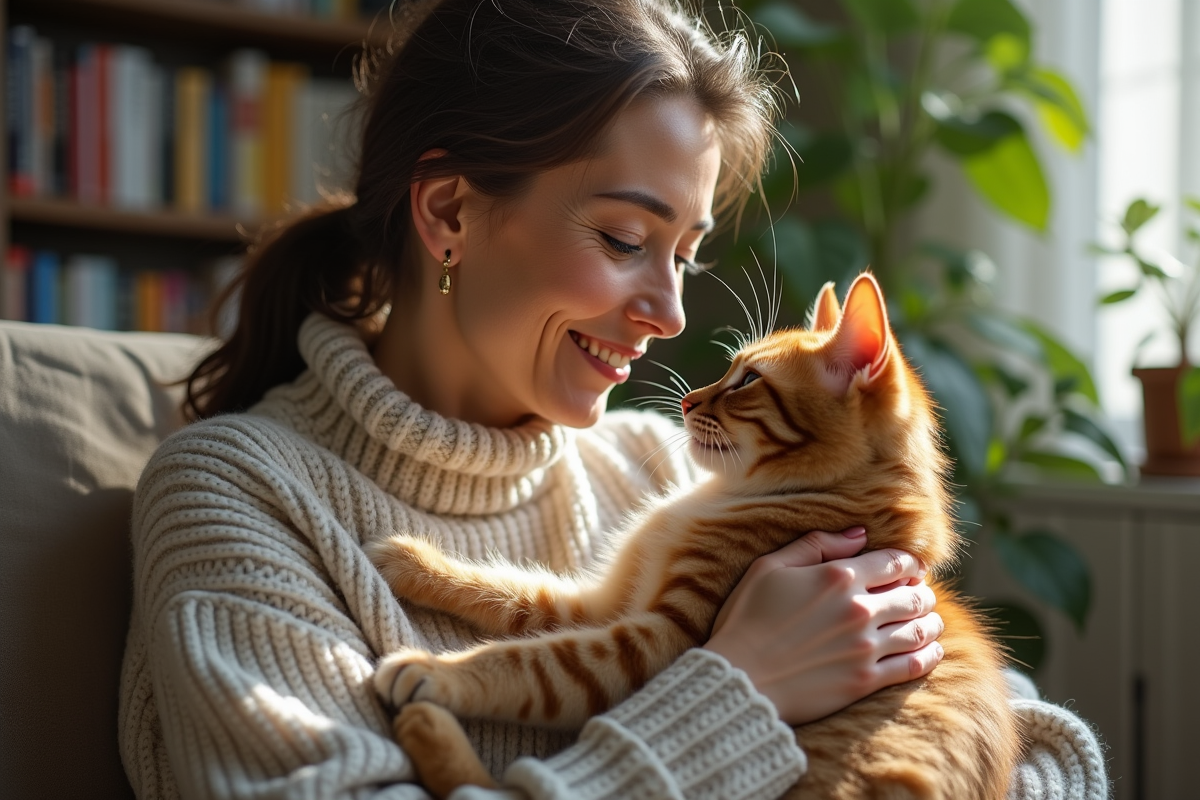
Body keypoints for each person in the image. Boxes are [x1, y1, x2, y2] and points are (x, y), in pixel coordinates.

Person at [118, 1, 1107, 798]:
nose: (671, 314)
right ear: (449, 211)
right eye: (627, 240)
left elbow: (1044, 749)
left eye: (686, 253)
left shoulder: (681, 468)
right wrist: (740, 689)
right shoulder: (237, 494)